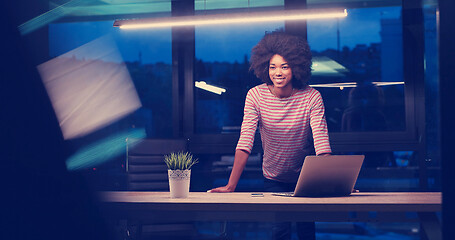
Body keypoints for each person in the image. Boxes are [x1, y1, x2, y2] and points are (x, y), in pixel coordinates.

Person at [209, 30, 332, 240]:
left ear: (296, 67)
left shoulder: (312, 96)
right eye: (273, 66)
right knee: (279, 232)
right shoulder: (255, 96)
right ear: (265, 67)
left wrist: (335, 182)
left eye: (285, 66)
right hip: (273, 176)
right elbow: (245, 141)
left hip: (306, 177)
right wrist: (231, 186)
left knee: (306, 232)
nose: (278, 72)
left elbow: (321, 143)